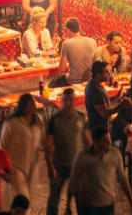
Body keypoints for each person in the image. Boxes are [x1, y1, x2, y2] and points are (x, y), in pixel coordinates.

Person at [67, 126, 132, 215]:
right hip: (88, 206)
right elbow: (73, 181)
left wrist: (131, 200)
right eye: (105, 140)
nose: (109, 142)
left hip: (108, 204)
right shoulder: (83, 157)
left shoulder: (115, 154)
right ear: (96, 142)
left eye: (109, 139)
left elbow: (122, 178)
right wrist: (68, 205)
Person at [45, 87, 91, 215]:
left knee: (80, 199)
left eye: (71, 100)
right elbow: (47, 145)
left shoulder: (81, 118)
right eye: (66, 100)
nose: (69, 103)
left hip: (76, 166)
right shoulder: (55, 119)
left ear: (75, 100)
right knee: (54, 199)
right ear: (62, 101)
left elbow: (88, 142)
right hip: (58, 165)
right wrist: (49, 166)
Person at [0, 94, 45, 209]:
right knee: (22, 200)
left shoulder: (38, 121)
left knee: (28, 198)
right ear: (24, 107)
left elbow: (42, 141)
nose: (34, 107)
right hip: (16, 168)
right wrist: (5, 168)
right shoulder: (12, 123)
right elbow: (2, 145)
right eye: (31, 105)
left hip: (32, 169)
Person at [84, 61, 131, 132]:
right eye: (106, 72)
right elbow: (105, 113)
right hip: (99, 129)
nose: (109, 74)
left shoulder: (92, 83)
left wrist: (117, 96)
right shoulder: (96, 90)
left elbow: (101, 102)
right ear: (98, 75)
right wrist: (121, 106)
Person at [58, 17, 97, 86]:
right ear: (80, 28)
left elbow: (61, 68)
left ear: (68, 30)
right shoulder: (92, 41)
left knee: (58, 80)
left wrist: (60, 58)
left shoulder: (66, 43)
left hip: (73, 81)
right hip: (90, 80)